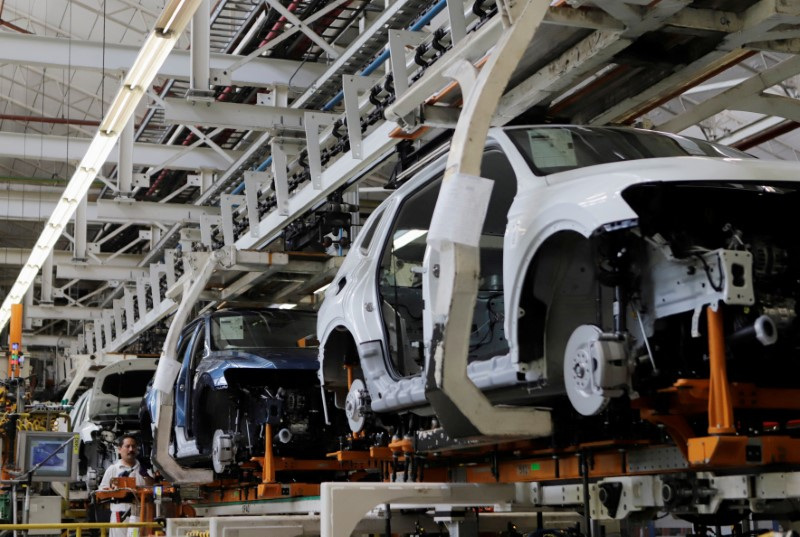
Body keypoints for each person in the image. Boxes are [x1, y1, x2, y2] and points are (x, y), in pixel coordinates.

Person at [98, 435, 153, 537]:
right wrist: (114, 491)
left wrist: (145, 476)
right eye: (127, 446)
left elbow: (153, 490)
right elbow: (101, 493)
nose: (131, 449)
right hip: (119, 516)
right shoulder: (113, 469)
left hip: (139, 516)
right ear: (119, 449)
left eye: (133, 446)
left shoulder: (144, 470)